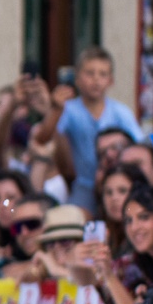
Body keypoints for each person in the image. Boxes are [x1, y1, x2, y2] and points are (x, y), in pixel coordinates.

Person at [28, 48, 144, 210]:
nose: (96, 80)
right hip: (85, 184)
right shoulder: (69, 109)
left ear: (111, 80)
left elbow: (141, 145)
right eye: (90, 73)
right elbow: (43, 138)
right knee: (75, 219)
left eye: (103, 74)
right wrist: (54, 110)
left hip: (118, 182)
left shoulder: (120, 112)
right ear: (76, 78)